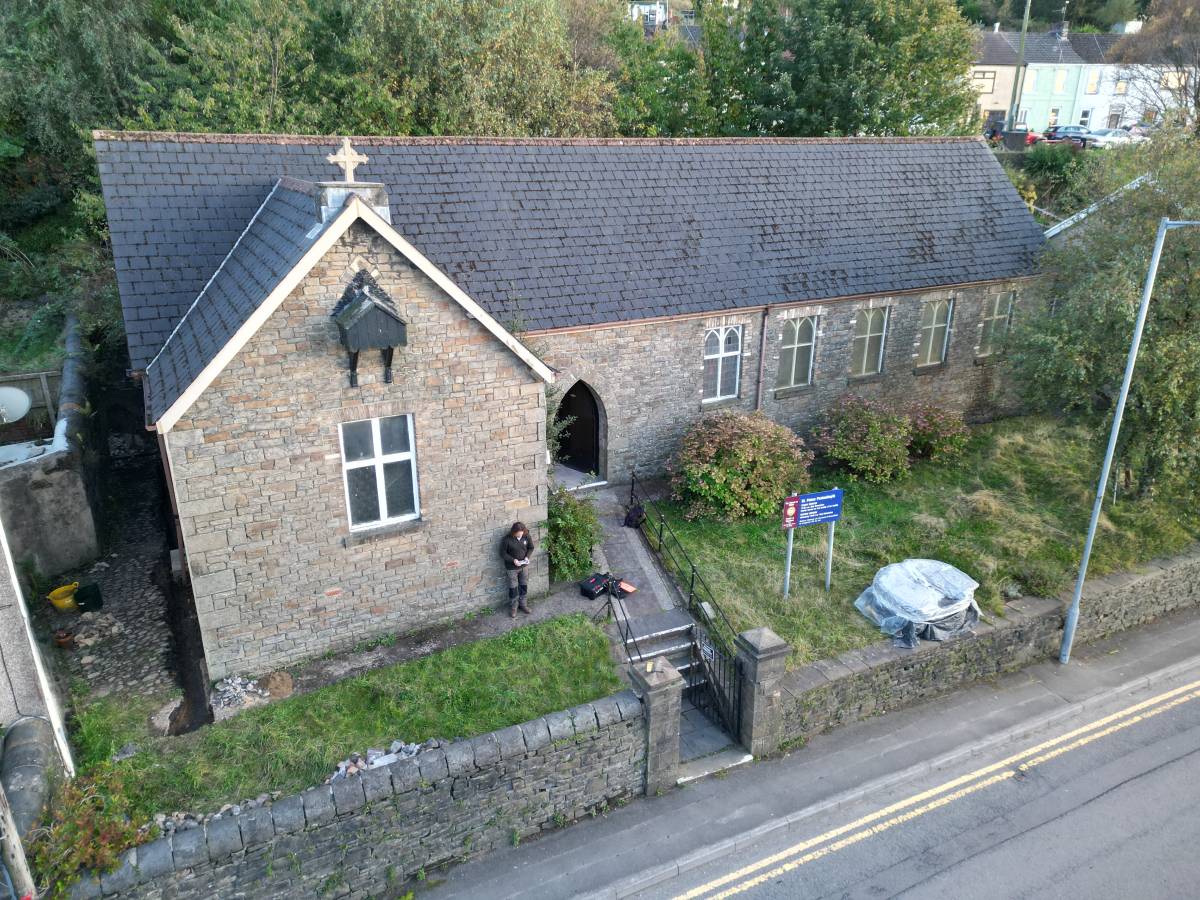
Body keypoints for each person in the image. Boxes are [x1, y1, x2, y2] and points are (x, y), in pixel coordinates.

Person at [500, 522, 535, 617]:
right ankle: (514, 607)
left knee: (523, 586)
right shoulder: (506, 540)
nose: (520, 534)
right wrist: (513, 560)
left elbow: (531, 548)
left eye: (522, 532)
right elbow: (502, 554)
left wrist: (527, 557)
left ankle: (523, 605)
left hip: (524, 567)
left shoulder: (526, 536)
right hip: (512, 568)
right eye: (518, 533)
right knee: (513, 588)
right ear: (514, 532)